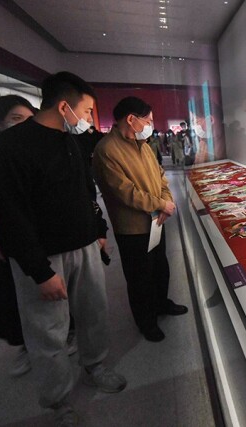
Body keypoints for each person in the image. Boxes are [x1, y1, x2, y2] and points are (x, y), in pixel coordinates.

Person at [0, 71, 126, 425]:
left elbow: (85, 191)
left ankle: (94, 366)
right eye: (86, 111)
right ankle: (58, 402)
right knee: (48, 331)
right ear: (65, 107)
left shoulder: (71, 141)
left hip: (84, 246)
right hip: (43, 256)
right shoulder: (8, 147)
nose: (88, 119)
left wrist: (98, 230)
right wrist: (40, 272)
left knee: (93, 313)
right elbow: (10, 215)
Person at [92, 96, 188, 343]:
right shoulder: (107, 150)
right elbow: (125, 193)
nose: (150, 125)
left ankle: (162, 303)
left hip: (156, 221)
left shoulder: (143, 145)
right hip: (132, 228)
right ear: (131, 119)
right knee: (139, 277)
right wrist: (161, 204)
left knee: (160, 268)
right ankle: (146, 321)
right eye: (148, 120)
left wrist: (166, 201)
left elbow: (161, 176)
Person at [0, 94, 37, 376]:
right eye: (16, 119)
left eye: (29, 119)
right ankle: (26, 345)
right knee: (16, 296)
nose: (24, 126)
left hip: (44, 237)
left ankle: (64, 334)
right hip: (12, 240)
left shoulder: (37, 152)